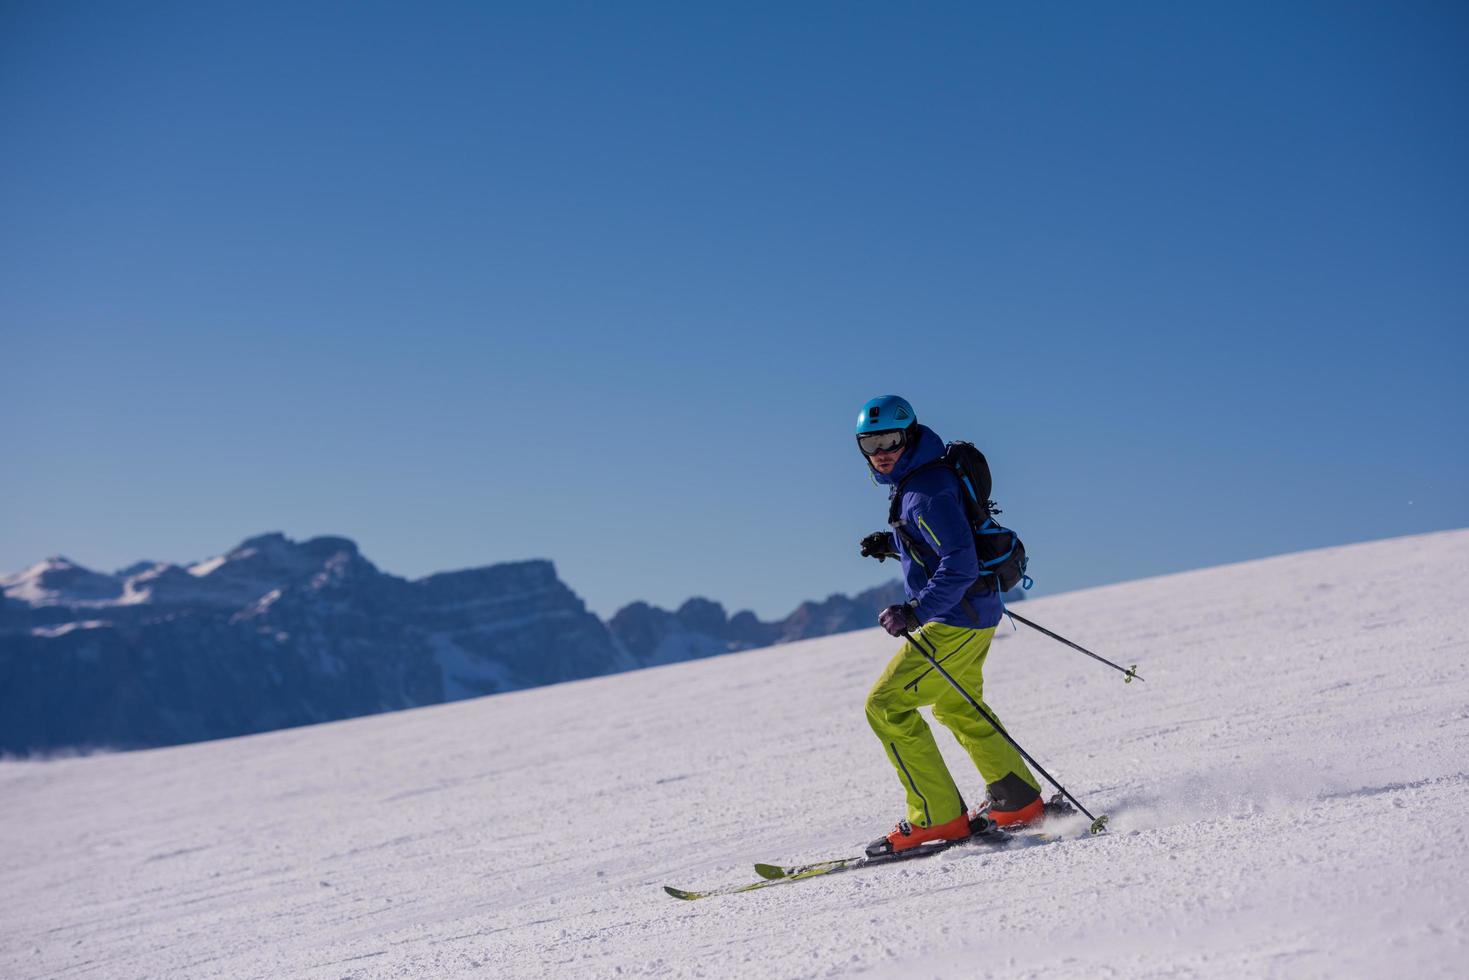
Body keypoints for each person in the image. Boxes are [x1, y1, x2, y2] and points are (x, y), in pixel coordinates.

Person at [854, 395, 1044, 856]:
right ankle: (1015, 801)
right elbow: (945, 549)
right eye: (869, 442)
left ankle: (935, 817)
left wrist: (916, 611)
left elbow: (957, 565)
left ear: (910, 436)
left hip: (954, 620)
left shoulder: (925, 492)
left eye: (890, 439)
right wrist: (898, 545)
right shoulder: (923, 481)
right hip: (975, 613)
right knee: (958, 706)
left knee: (885, 705)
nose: (880, 450)